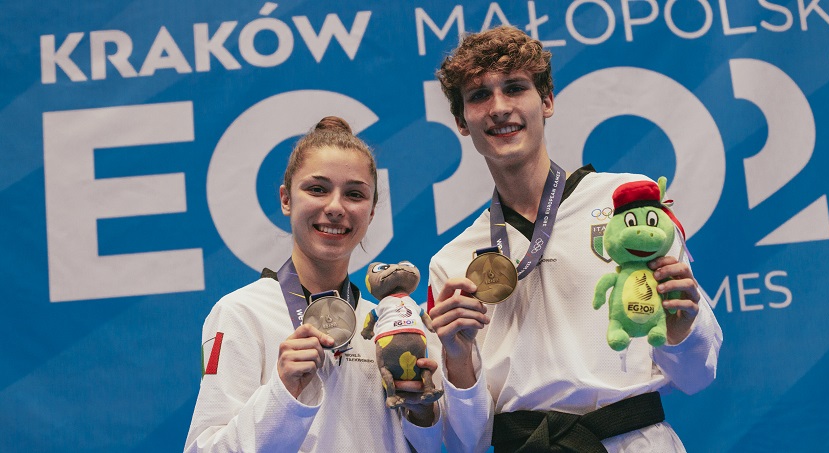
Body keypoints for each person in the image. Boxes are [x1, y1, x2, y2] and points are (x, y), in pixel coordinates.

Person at [427, 26, 723, 452]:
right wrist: (456, 357)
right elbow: (465, 440)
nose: (498, 107)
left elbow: (699, 376)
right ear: (461, 121)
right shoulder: (453, 263)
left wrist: (682, 326)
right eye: (478, 96)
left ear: (546, 101)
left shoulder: (632, 207)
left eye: (514, 88)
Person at [185, 117, 443, 452]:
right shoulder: (241, 313)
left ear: (372, 211)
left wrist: (422, 411)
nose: (335, 207)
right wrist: (282, 390)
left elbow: (426, 446)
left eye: (354, 194)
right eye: (317, 189)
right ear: (286, 199)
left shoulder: (386, 325)